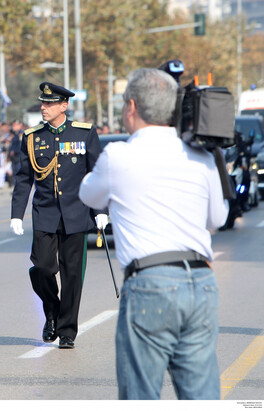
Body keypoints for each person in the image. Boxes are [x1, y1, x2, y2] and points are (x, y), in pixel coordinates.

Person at [79, 68, 228, 400]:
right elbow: (218, 217)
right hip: (200, 281)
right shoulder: (201, 155)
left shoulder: (118, 155)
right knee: (202, 394)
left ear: (131, 106)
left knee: (140, 395)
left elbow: (88, 195)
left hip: (151, 282)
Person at [10, 82, 108, 349]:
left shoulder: (85, 133)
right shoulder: (31, 137)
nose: (43, 107)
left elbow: (96, 175)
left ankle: (66, 331)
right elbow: (23, 178)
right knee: (42, 267)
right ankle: (51, 310)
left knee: (72, 275)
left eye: (49, 103)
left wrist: (100, 211)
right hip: (45, 214)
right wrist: (17, 214)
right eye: (42, 102)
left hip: (77, 214)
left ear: (63, 106)